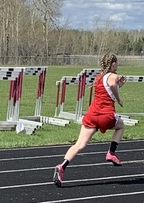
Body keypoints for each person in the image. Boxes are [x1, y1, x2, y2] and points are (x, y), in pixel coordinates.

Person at [53, 53, 126, 187]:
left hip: (92, 115)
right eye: (117, 63)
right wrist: (119, 98)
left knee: (79, 144)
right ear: (113, 64)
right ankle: (111, 152)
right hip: (105, 115)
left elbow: (107, 89)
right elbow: (112, 85)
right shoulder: (113, 76)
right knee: (121, 126)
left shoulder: (99, 77)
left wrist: (118, 85)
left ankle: (62, 165)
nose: (118, 65)